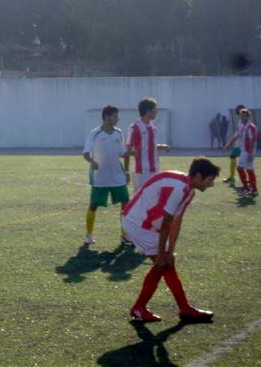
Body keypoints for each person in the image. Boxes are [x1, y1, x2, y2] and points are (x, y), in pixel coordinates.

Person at [122, 157, 220, 323]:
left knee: (167, 263)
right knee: (162, 264)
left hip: (147, 223)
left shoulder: (189, 190)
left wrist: (170, 251)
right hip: (137, 222)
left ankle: (182, 308)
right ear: (198, 176)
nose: (211, 185)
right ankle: (143, 307)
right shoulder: (180, 188)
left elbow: (176, 222)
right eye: (209, 180)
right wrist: (162, 254)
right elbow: (167, 222)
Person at [82, 105, 132, 245]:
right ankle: (89, 234)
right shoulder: (95, 133)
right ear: (106, 117)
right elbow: (86, 154)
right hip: (100, 178)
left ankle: (124, 235)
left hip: (117, 176)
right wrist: (92, 162)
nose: (118, 119)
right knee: (93, 205)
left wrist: (127, 169)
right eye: (115, 116)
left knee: (126, 204)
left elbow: (123, 153)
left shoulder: (118, 132)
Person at [125, 97, 170, 192]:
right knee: (140, 197)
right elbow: (128, 149)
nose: (156, 111)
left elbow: (149, 145)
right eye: (155, 109)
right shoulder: (134, 127)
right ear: (148, 111)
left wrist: (161, 146)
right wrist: (126, 170)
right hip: (141, 171)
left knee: (155, 196)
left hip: (155, 168)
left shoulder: (153, 125)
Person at [225, 108, 259, 197]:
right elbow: (235, 136)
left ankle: (246, 188)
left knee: (240, 168)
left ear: (248, 116)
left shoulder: (251, 127)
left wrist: (251, 154)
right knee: (249, 169)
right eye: (241, 115)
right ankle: (254, 190)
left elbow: (252, 141)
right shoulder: (241, 125)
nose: (242, 117)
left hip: (248, 151)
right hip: (244, 150)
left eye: (244, 116)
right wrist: (228, 146)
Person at [222, 104, 246, 186]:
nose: (238, 111)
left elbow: (238, 135)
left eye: (240, 110)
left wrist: (228, 145)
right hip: (239, 144)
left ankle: (244, 182)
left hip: (242, 144)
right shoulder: (240, 120)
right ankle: (232, 177)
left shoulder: (244, 121)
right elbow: (237, 134)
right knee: (233, 157)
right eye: (238, 110)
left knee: (242, 163)